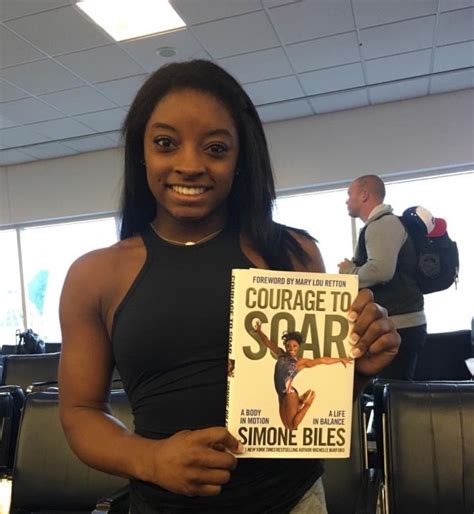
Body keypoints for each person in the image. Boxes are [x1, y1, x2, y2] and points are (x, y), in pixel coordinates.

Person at [59, 60, 400, 514]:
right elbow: (80, 412)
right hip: (162, 505)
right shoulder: (95, 276)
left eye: (216, 148)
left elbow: (315, 404)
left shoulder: (292, 253)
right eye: (165, 143)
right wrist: (152, 458)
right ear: (141, 152)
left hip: (290, 501)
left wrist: (356, 370)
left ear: (241, 160)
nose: (190, 165)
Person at [338, 174, 426, 380]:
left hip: (398, 326)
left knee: (393, 399)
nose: (346, 200)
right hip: (396, 325)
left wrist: (349, 272)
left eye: (349, 194)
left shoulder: (382, 224)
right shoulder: (381, 225)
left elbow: (381, 270)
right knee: (390, 396)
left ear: (364, 195)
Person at [252, 321, 352, 430]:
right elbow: (267, 342)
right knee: (286, 426)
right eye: (288, 346)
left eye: (295, 346)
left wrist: (340, 359)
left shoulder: (299, 362)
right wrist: (259, 331)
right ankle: (299, 402)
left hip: (289, 393)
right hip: (280, 394)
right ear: (285, 347)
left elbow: (323, 360)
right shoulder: (280, 354)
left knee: (292, 426)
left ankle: (307, 404)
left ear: (298, 347)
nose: (291, 348)